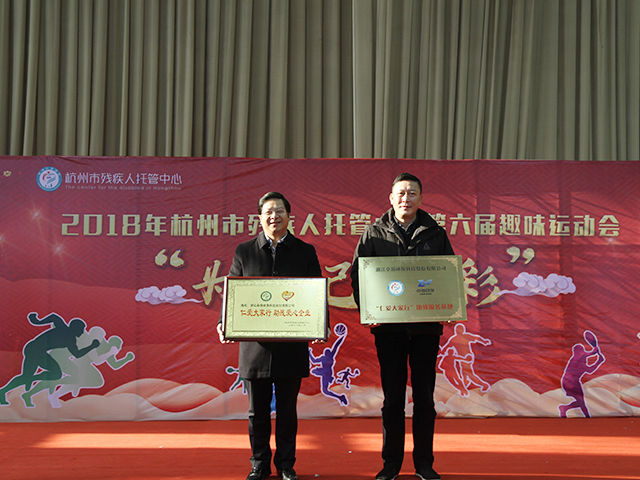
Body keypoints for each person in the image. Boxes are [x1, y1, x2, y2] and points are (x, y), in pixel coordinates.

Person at [350, 173, 454, 480]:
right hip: (389, 329)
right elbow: (358, 275)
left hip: (425, 329)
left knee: (425, 399)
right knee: (393, 399)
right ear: (391, 198)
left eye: (412, 193)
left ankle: (424, 464)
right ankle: (391, 464)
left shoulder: (435, 233)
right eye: (401, 193)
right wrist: (367, 310)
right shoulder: (373, 233)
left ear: (421, 198)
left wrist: (449, 305)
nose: (406, 198)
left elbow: (447, 274)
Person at [217, 192, 323, 480]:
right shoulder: (244, 251)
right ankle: (259, 464)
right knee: (257, 412)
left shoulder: (305, 251)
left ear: (289, 216)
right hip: (256, 347)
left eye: (279, 211)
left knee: (287, 411)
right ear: (260, 217)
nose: (274, 216)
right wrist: (225, 323)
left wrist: (319, 324)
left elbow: (316, 292)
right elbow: (234, 293)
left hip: (291, 344)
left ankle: (286, 465)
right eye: (268, 212)